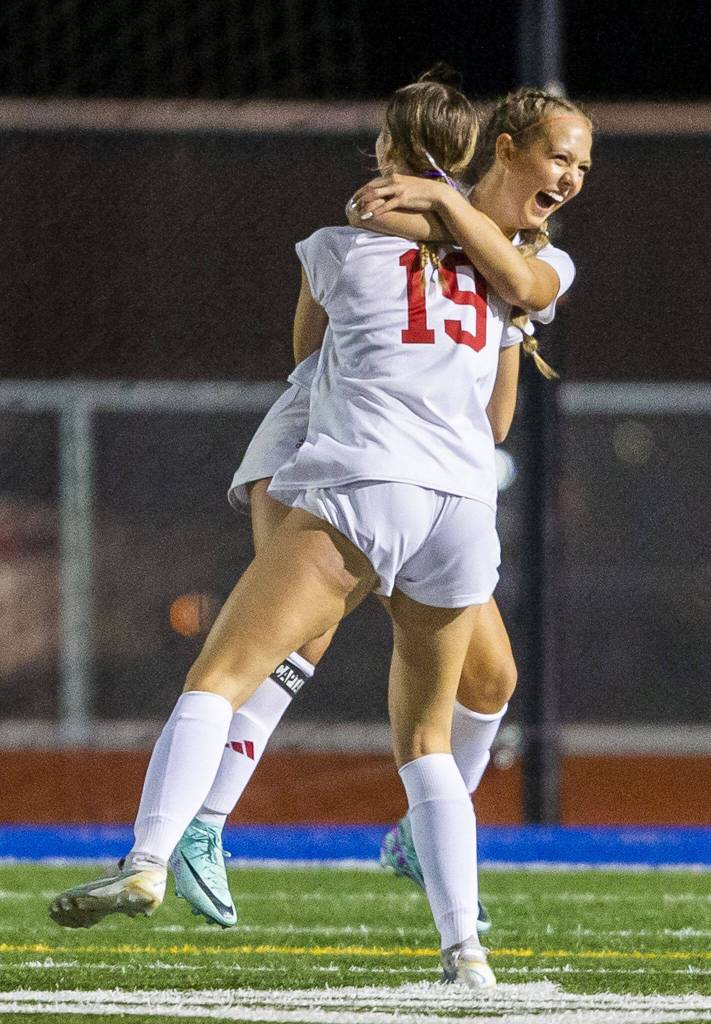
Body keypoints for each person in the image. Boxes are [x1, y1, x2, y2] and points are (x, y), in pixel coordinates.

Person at [49, 74, 592, 990]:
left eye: (583, 163)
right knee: (345, 673)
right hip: (419, 489)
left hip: (371, 478)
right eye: (561, 156)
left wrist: (427, 207)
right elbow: (355, 361)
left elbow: (333, 338)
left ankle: (154, 849)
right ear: (497, 149)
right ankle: (450, 946)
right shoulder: (490, 266)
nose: (572, 173)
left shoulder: (387, 241)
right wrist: (440, 220)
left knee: (282, 667)